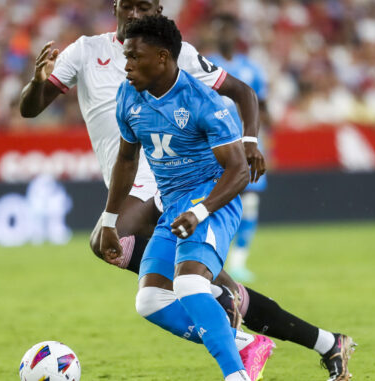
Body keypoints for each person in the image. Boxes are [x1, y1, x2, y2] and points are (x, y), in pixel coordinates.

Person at [20, 1, 356, 380]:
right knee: (178, 290)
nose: (133, 13)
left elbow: (242, 92)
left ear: (158, 13)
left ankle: (230, 333)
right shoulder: (88, 54)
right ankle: (322, 342)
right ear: (114, 6)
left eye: (143, 6)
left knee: (121, 248)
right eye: (127, 5)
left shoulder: (179, 61)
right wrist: (37, 81)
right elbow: (31, 111)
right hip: (136, 179)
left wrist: (247, 140)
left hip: (173, 182)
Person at [100, 15, 268, 380]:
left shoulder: (204, 102)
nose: (125, 66)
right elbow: (126, 159)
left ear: (162, 58)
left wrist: (202, 212)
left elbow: (238, 171)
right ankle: (241, 344)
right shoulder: (128, 94)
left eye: (134, 57)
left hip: (212, 200)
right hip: (173, 204)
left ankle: (235, 375)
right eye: (125, 56)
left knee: (189, 283)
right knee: (149, 301)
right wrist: (110, 220)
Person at [207, 14, 270, 283]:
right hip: (216, 146)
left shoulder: (252, 69)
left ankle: (239, 262)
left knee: (251, 202)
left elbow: (262, 107)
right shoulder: (206, 64)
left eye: (229, 30)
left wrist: (263, 138)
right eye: (220, 30)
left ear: (236, 34)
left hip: (248, 142)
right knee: (214, 202)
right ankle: (213, 259)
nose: (225, 35)